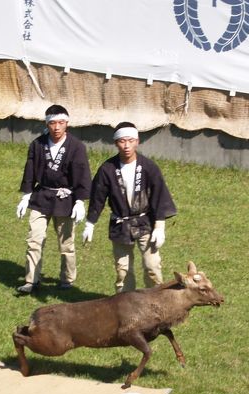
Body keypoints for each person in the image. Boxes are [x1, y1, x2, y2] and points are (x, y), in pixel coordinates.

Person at [83, 122, 176, 293]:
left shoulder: (149, 167)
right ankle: (126, 305)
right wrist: (90, 223)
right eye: (122, 141)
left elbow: (159, 196)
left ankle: (158, 302)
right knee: (123, 270)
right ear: (115, 143)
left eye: (130, 140)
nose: (126, 146)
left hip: (145, 222)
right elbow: (98, 197)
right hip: (120, 224)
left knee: (152, 265)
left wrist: (160, 227)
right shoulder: (107, 169)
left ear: (137, 141)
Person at [15, 104, 92, 293]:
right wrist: (26, 196)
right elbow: (30, 170)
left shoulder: (76, 147)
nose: (56, 127)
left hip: (65, 198)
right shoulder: (38, 144)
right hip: (41, 196)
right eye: (52, 123)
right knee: (34, 239)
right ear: (47, 124)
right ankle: (31, 280)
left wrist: (80, 201)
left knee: (66, 243)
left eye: (60, 123)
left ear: (67, 124)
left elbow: (83, 174)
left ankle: (67, 279)